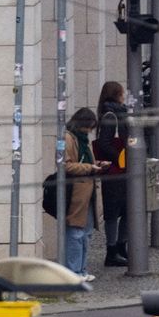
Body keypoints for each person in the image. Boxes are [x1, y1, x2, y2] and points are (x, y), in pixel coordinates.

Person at [58, 108, 101, 280]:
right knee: (75, 233)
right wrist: (90, 168)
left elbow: (85, 161)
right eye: (89, 127)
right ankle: (73, 272)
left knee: (86, 233)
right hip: (76, 193)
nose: (89, 131)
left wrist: (96, 164)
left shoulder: (82, 140)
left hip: (88, 193)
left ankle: (81, 270)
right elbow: (65, 165)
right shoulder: (68, 138)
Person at [93, 81, 130, 268]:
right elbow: (104, 144)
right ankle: (112, 250)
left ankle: (122, 246)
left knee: (128, 209)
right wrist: (120, 157)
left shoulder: (120, 112)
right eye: (121, 93)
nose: (124, 96)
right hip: (115, 171)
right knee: (113, 211)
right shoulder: (110, 115)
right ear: (116, 94)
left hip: (123, 170)